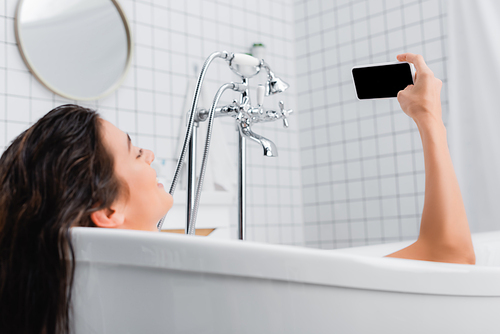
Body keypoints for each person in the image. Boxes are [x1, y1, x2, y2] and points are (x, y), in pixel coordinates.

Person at [0, 53, 473, 334]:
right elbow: (447, 258)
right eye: (132, 150)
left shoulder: (64, 291)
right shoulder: (181, 281)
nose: (148, 154)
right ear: (106, 210)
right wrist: (429, 120)